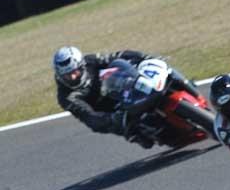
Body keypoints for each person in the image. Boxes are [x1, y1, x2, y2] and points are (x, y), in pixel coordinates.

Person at [53, 46, 200, 148]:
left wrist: (144, 58)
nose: (72, 77)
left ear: (81, 66)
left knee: (165, 72)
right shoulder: (66, 96)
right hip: (111, 113)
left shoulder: (90, 61)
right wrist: (109, 119)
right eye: (67, 75)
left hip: (121, 88)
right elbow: (89, 117)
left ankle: (189, 88)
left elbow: (117, 56)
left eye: (75, 72)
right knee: (142, 134)